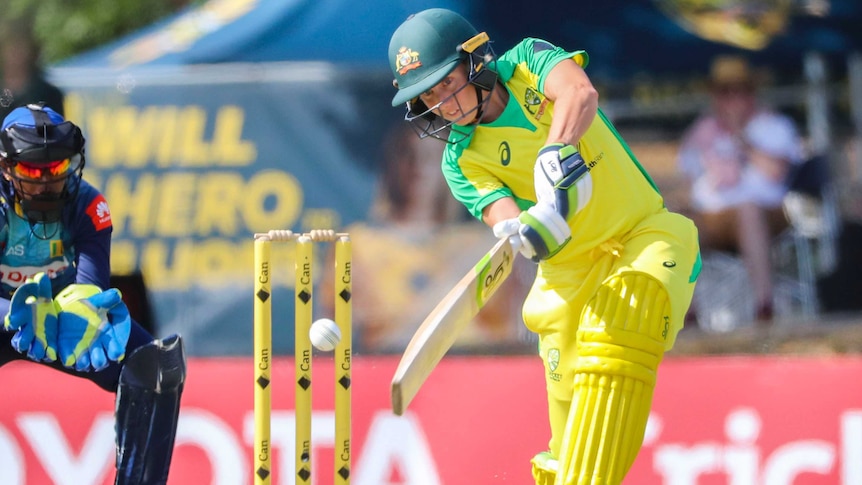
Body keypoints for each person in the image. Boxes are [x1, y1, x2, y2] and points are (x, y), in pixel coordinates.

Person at [388, 8, 701, 485]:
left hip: (644, 235)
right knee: (566, 457)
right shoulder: (461, 161)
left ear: (475, 61)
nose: (444, 105)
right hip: (566, 282)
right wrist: (526, 231)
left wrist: (555, 152)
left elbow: (580, 92)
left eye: (446, 83)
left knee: (621, 322)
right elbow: (505, 219)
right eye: (429, 97)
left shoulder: (527, 61)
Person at [0, 103, 186, 484]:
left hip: (61, 324)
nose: (46, 184)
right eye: (32, 173)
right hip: (8, 316)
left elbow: (90, 284)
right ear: (5, 166)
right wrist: (17, 310)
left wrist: (79, 310)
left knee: (155, 366)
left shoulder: (89, 204)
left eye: (57, 170)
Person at [677, 55, 804, 323]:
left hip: (768, 214)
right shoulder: (701, 131)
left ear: (752, 93)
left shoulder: (774, 126)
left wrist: (741, 139)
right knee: (678, 220)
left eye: (740, 91)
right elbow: (688, 187)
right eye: (724, 92)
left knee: (748, 211)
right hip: (715, 218)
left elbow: (777, 172)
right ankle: (688, 313)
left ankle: (764, 307)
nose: (733, 99)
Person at [0, 22, 65, 120]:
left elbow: (56, 130)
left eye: (21, 46)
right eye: (10, 46)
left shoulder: (48, 94)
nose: (15, 53)